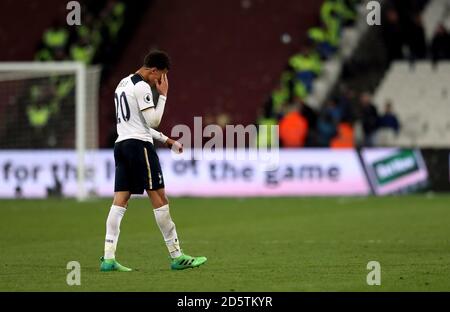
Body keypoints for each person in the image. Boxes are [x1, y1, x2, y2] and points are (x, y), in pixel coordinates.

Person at [100, 50, 207, 272]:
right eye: (161, 76)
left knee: (120, 200)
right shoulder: (141, 86)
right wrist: (164, 95)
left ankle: (108, 258)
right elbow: (154, 120)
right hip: (139, 147)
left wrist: (167, 140)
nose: (160, 81)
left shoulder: (122, 84)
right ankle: (177, 256)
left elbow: (138, 123)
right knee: (159, 197)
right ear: (153, 70)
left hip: (121, 145)